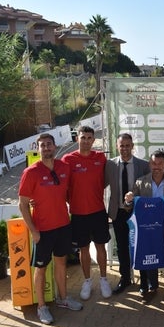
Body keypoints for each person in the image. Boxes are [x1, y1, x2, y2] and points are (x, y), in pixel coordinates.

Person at [19, 133, 83, 324]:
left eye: (49, 144)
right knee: (40, 268)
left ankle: (63, 299)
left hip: (63, 225)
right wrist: (34, 231)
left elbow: (68, 191)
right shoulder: (30, 172)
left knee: (61, 263)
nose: (46, 148)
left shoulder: (64, 167)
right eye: (42, 145)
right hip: (43, 230)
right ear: (38, 149)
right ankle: (42, 307)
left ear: (55, 147)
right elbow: (22, 204)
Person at [123, 150, 164, 304]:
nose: (157, 166)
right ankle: (153, 287)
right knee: (150, 258)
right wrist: (129, 199)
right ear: (150, 164)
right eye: (154, 163)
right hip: (147, 229)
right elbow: (129, 206)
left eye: (160, 164)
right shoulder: (140, 182)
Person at [61, 126, 111, 301]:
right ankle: (87, 281)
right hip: (78, 214)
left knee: (100, 246)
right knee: (83, 249)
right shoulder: (68, 159)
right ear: (77, 139)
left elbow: (105, 180)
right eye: (83, 137)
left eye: (90, 138)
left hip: (98, 211)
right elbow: (61, 184)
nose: (86, 141)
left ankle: (104, 279)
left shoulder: (100, 158)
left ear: (93, 140)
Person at [105, 133, 150, 294]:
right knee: (122, 247)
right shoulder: (110, 164)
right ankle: (125, 279)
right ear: (117, 146)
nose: (124, 148)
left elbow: (149, 189)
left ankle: (144, 281)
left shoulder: (143, 165)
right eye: (121, 145)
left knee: (140, 247)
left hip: (137, 213)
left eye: (127, 145)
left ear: (132, 146)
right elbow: (100, 185)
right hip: (118, 212)